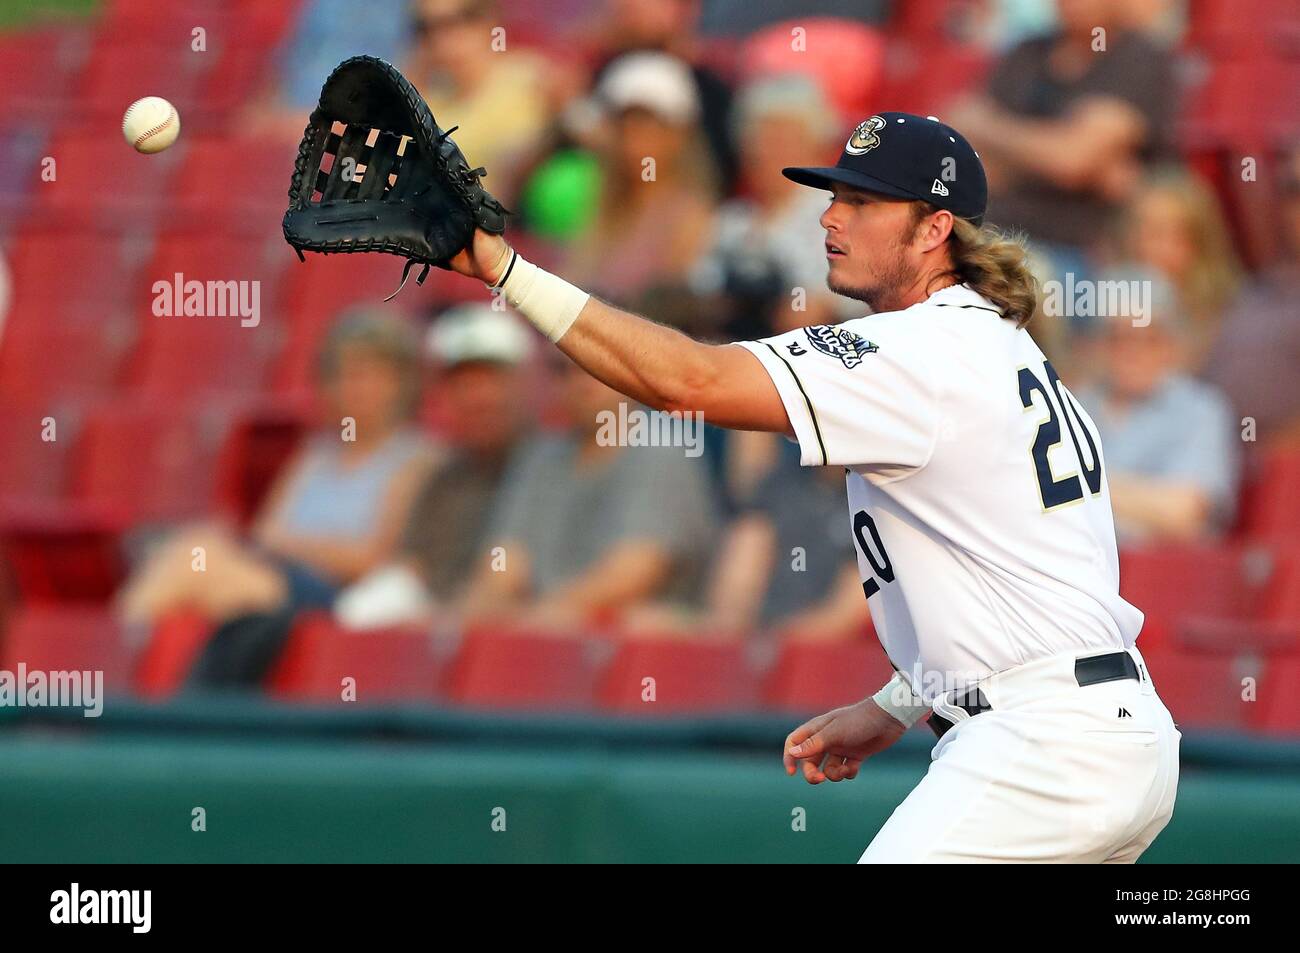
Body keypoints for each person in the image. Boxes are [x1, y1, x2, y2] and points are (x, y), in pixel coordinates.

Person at [444, 111, 1180, 863]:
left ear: (934, 229)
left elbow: (682, 380)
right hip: (1113, 733)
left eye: (862, 202)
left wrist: (504, 269)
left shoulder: (915, 348)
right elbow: (1022, 586)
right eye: (834, 196)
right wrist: (898, 703)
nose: (830, 216)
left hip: (1046, 745)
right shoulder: (997, 343)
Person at [119, 311, 437, 681]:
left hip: (340, 600)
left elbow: (372, 558)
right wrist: (276, 543)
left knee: (194, 559)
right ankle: (126, 669)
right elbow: (265, 534)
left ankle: (112, 671)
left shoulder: (418, 460)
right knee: (195, 549)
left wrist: (288, 544)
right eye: (341, 375)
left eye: (365, 374)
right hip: (282, 584)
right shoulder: (315, 456)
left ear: (401, 383)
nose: (351, 388)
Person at [457, 355, 717, 633]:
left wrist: (536, 619)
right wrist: (472, 615)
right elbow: (504, 565)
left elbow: (632, 575)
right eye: (564, 369)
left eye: (596, 366)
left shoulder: (661, 451)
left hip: (635, 644)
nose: (581, 380)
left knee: (642, 621)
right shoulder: (541, 456)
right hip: (549, 631)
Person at [334, 305, 535, 627]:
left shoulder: (547, 468)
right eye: (463, 383)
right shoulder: (444, 476)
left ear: (523, 383)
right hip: (434, 630)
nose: (478, 397)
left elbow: (510, 581)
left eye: (491, 379)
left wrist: (441, 628)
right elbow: (411, 566)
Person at [948, 0, 1175, 284]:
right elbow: (966, 156)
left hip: (1080, 254)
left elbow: (1071, 161)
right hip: (990, 232)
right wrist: (1061, 152)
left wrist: (991, 129)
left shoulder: (1138, 57)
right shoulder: (1027, 52)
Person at [1076, 271, 1240, 543]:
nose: (1132, 352)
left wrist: (1083, 485)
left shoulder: (1202, 410)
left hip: (1166, 576)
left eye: (1148, 338)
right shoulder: (1075, 404)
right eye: (1119, 337)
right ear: (1100, 344)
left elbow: (1183, 514)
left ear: (1171, 345)